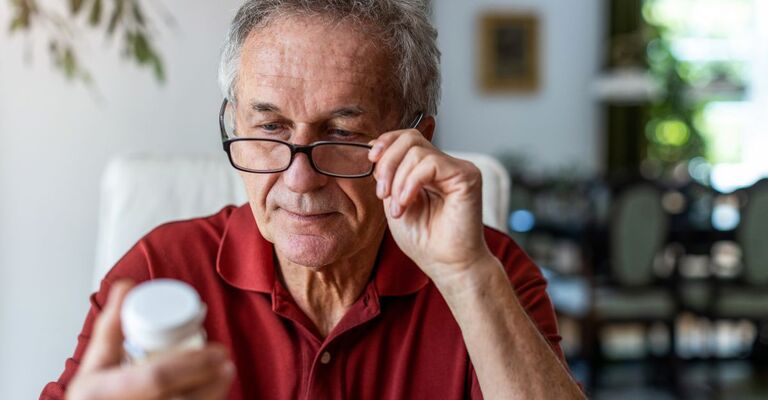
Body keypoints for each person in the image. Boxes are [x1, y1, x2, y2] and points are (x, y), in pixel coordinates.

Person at [41, 0, 584, 399]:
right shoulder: (160, 270)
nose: (298, 180)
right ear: (234, 125)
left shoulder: (491, 274)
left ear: (416, 141)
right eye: (270, 127)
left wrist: (468, 277)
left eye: (343, 134)